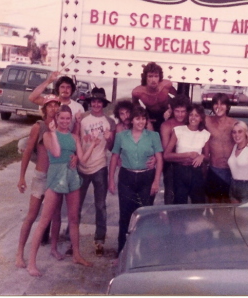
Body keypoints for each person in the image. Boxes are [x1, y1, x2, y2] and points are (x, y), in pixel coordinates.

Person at [27, 105, 98, 277]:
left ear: (71, 119)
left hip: (72, 176)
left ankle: (76, 255)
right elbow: (57, 153)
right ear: (56, 119)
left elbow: (83, 160)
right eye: (62, 118)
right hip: (56, 175)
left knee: (74, 219)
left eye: (68, 118)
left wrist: (93, 144)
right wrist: (53, 132)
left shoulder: (74, 137)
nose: (65, 121)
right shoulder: (48, 135)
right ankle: (31, 263)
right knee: (44, 219)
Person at [16, 94, 63, 268]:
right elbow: (28, 151)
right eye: (50, 106)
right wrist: (21, 176)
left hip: (56, 177)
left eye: (56, 105)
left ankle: (54, 248)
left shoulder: (61, 126)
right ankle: (20, 253)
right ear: (44, 109)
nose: (53, 108)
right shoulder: (39, 126)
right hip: (41, 176)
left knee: (57, 215)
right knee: (31, 215)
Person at [108, 106, 163, 254]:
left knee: (145, 216)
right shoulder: (121, 136)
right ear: (132, 120)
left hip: (147, 178)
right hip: (127, 177)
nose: (141, 121)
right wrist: (111, 180)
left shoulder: (153, 136)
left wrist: (156, 180)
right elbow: (114, 157)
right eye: (137, 118)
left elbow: (159, 158)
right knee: (125, 216)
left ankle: (143, 252)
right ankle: (122, 252)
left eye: (143, 118)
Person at [76, 87, 115, 257]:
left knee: (100, 205)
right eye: (93, 101)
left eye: (99, 102)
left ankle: (100, 240)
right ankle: (73, 238)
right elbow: (75, 138)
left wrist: (110, 138)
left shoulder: (110, 122)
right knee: (76, 204)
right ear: (90, 103)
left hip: (100, 166)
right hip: (82, 167)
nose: (96, 104)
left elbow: (112, 148)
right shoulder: (82, 119)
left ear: (104, 104)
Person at [164, 104, 210, 205]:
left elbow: (207, 158)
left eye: (197, 115)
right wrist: (187, 155)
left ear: (201, 118)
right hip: (179, 171)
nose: (193, 118)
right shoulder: (179, 130)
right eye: (191, 115)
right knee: (179, 204)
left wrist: (201, 156)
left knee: (198, 204)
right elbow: (166, 155)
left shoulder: (205, 134)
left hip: (196, 172)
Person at [204, 93, 237, 203]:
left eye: (222, 104)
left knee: (229, 206)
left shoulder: (234, 123)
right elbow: (190, 118)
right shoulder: (207, 120)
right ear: (212, 106)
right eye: (215, 104)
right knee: (213, 204)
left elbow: (247, 138)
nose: (218, 107)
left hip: (231, 171)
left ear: (227, 106)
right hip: (214, 169)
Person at [160, 94, 190, 204]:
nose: (180, 114)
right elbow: (166, 154)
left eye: (183, 111)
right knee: (170, 197)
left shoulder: (191, 123)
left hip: (189, 165)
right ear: (172, 110)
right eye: (177, 111)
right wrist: (186, 156)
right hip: (172, 167)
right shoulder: (166, 125)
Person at [132, 62, 178, 133]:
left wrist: (171, 109)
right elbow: (135, 105)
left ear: (160, 77)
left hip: (168, 112)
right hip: (151, 114)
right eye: (150, 76)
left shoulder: (166, 85)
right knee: (151, 133)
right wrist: (145, 117)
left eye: (156, 76)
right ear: (145, 78)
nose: (153, 80)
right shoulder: (137, 92)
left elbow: (178, 97)